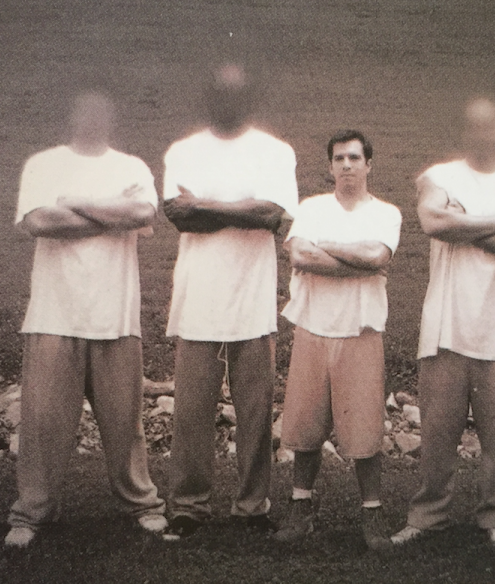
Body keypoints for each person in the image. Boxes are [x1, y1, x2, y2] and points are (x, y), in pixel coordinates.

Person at [3, 89, 166, 548]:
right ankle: (32, 513)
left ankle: (143, 505)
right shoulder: (43, 163)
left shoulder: (131, 167)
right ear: (70, 116)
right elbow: (38, 221)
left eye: (101, 111)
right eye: (83, 110)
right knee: (42, 426)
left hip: (116, 316)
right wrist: (110, 216)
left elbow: (143, 211)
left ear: (111, 119)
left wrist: (73, 202)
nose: (92, 118)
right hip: (54, 315)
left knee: (125, 424)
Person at [390, 98, 495, 549]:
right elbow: (431, 221)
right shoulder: (439, 176)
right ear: (463, 131)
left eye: (489, 126)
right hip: (445, 325)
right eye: (472, 127)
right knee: (437, 433)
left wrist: (464, 223)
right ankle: (427, 516)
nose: (481, 134)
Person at [160, 64, 299, 539]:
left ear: (249, 98)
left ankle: (252, 507)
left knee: (256, 413)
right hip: (197, 302)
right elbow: (183, 220)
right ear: (208, 97)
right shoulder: (183, 151)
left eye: (236, 92)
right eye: (218, 92)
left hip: (253, 303)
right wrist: (239, 209)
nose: (227, 100)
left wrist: (206, 204)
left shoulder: (275, 151)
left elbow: (272, 215)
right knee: (191, 414)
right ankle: (187, 507)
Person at [273, 130, 402, 550]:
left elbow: (378, 257)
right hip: (312, 327)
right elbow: (299, 256)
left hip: (361, 330)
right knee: (304, 428)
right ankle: (301, 509)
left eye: (354, 157)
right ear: (330, 167)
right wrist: (355, 261)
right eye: (339, 158)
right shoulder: (311, 208)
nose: (346, 165)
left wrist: (327, 249)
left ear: (369, 164)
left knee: (364, 432)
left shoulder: (386, 213)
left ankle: (372, 515)